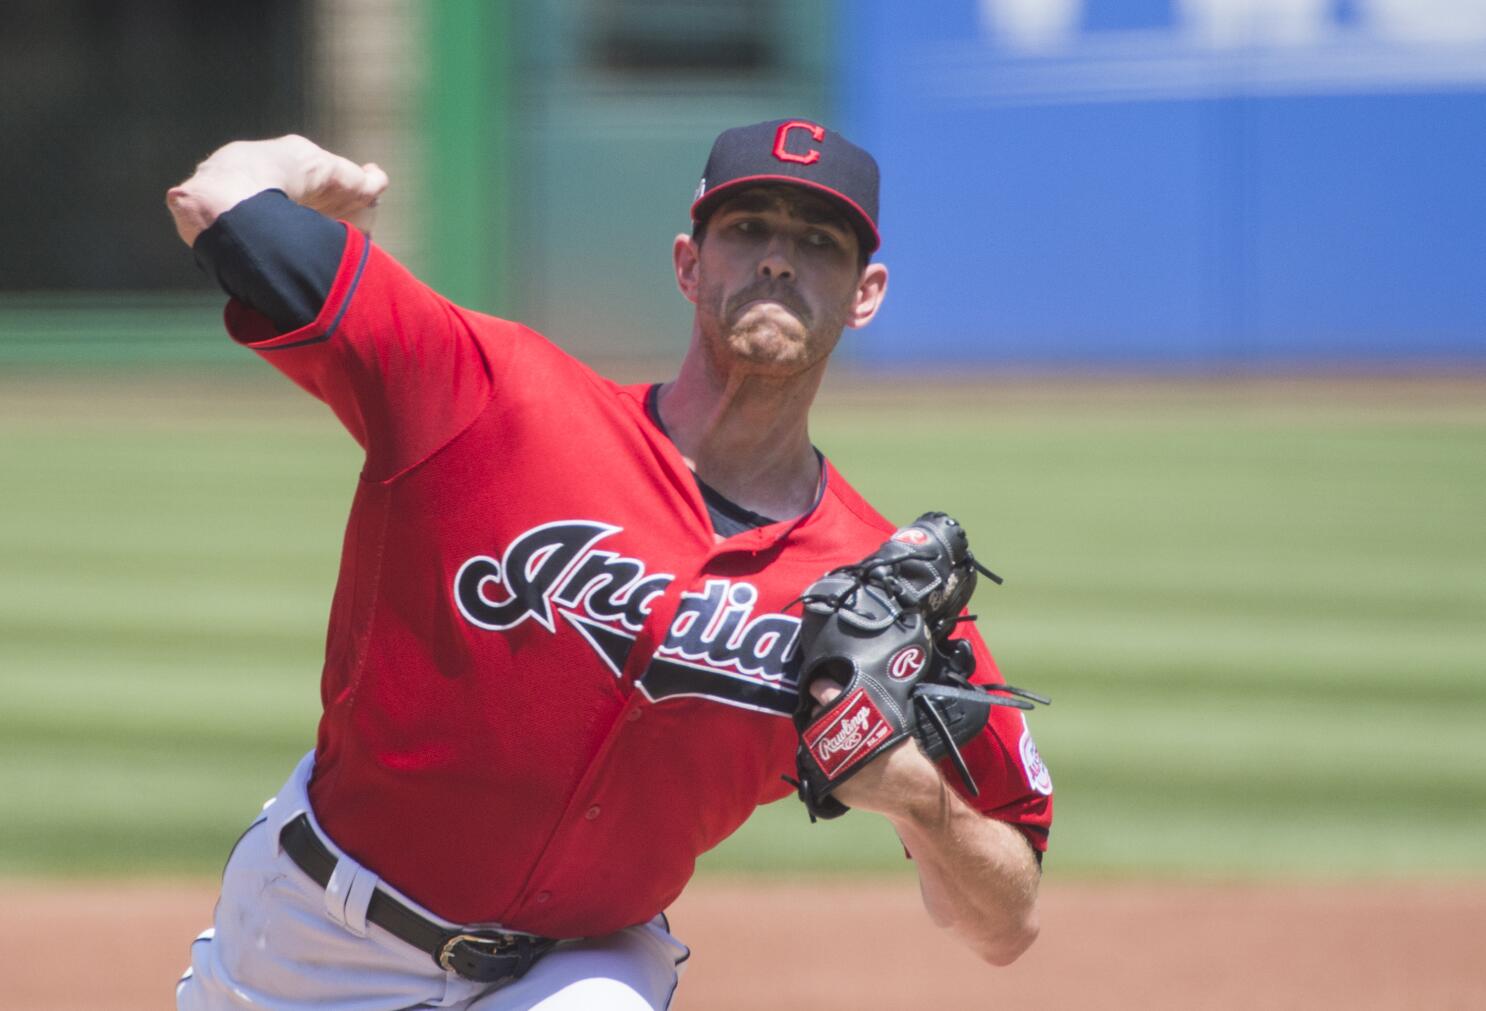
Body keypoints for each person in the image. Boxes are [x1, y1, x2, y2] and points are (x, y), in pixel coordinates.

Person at [165, 119, 1053, 1010]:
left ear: (866, 293)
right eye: (747, 229)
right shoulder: (493, 396)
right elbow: (216, 200)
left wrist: (910, 793)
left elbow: (1007, 920)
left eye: (818, 242)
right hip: (311, 941)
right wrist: (302, 168)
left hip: (581, 968)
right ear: (687, 265)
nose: (778, 260)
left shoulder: (877, 590)